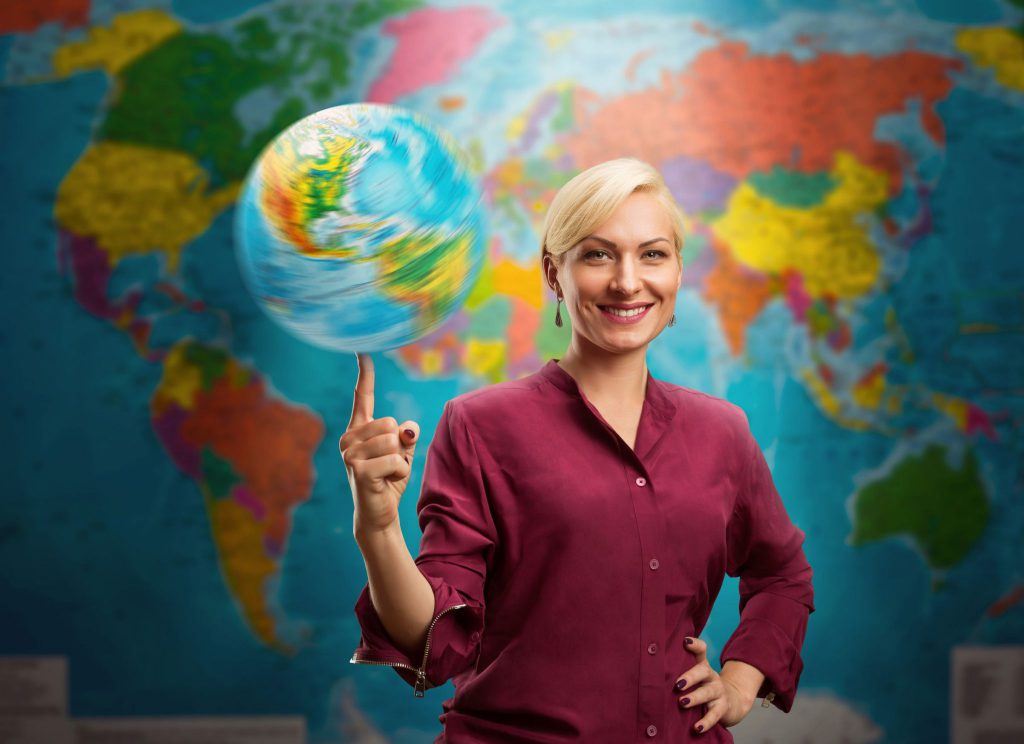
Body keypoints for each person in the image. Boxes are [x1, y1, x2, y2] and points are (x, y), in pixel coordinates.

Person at [340, 158, 815, 742]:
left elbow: (783, 574)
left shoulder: (723, 432)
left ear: (677, 272)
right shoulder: (479, 425)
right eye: (597, 254)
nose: (626, 281)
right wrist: (379, 528)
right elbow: (433, 642)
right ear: (553, 273)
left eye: (653, 254)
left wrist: (742, 680)